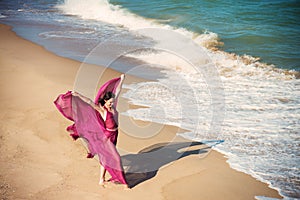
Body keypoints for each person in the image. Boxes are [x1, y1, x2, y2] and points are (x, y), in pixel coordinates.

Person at [54, 74, 129, 189]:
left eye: (113, 102)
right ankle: (124, 183)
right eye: (110, 102)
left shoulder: (113, 108)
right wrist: (78, 95)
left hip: (115, 135)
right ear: (105, 101)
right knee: (116, 158)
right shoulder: (103, 111)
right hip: (107, 137)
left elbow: (118, 92)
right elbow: (89, 102)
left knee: (105, 158)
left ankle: (101, 179)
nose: (112, 104)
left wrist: (122, 80)